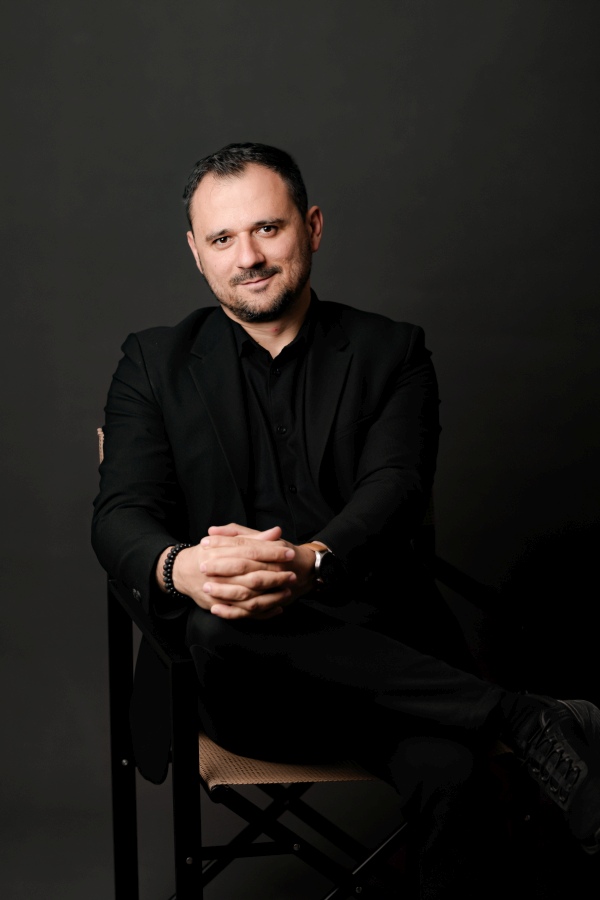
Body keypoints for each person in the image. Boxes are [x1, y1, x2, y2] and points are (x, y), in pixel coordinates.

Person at [92, 142, 600, 898]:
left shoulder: (393, 350)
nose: (248, 257)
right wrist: (183, 568)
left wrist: (313, 562)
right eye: (223, 239)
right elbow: (121, 513)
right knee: (218, 624)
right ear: (196, 253)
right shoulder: (150, 362)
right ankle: (518, 716)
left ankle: (501, 724)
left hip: (389, 662)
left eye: (268, 229)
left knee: (453, 772)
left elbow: (397, 487)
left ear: (313, 227)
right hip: (249, 689)